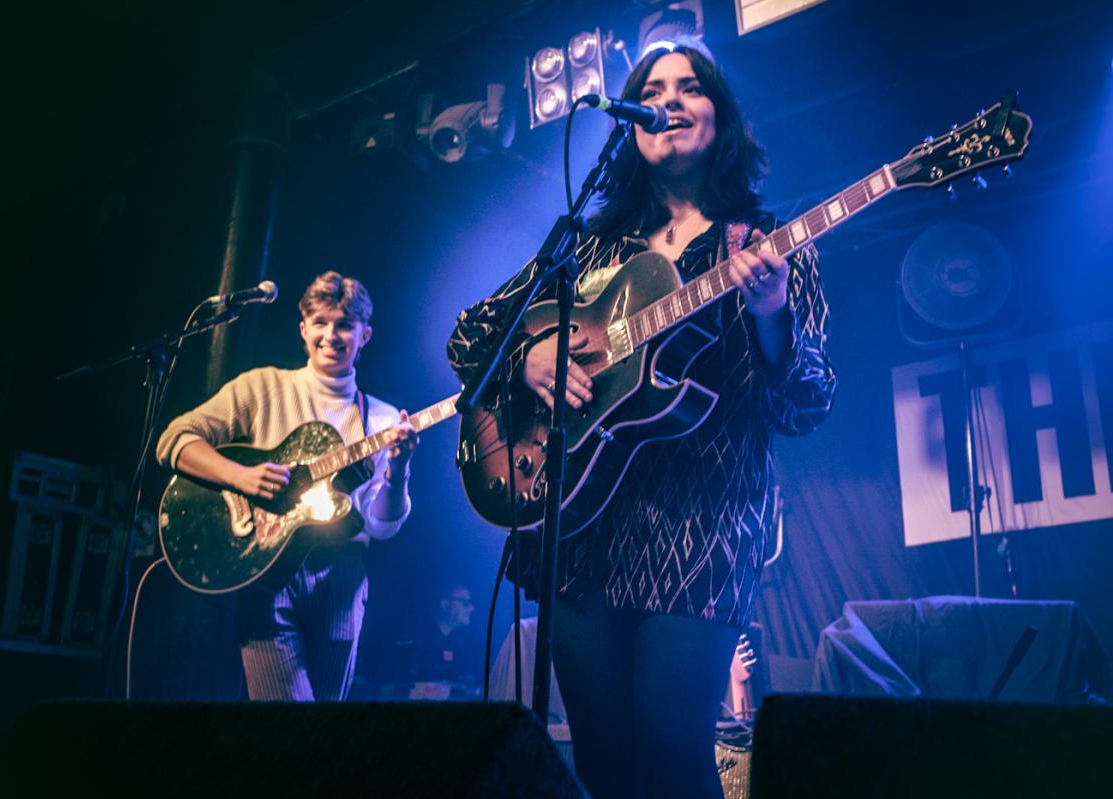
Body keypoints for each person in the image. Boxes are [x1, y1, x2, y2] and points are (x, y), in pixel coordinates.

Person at [447, 41, 835, 798]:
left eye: (691, 87)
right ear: (630, 123)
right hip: (584, 522)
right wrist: (530, 356)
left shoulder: (764, 243)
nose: (671, 99)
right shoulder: (589, 244)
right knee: (602, 761)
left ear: (720, 115)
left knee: (670, 756)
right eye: (653, 89)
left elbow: (808, 403)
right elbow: (469, 334)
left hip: (703, 525)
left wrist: (772, 315)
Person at [156, 270, 418, 702]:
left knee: (322, 727)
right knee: (285, 720)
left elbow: (383, 525)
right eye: (320, 322)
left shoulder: (384, 419)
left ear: (365, 335)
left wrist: (400, 468)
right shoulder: (262, 387)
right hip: (267, 575)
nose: (331, 335)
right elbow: (174, 441)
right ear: (303, 328)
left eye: (345, 325)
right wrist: (241, 477)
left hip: (343, 577)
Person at [408, 583, 480, 690]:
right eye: (465, 602)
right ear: (445, 605)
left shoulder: (465, 643)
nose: (472, 608)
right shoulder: (418, 639)